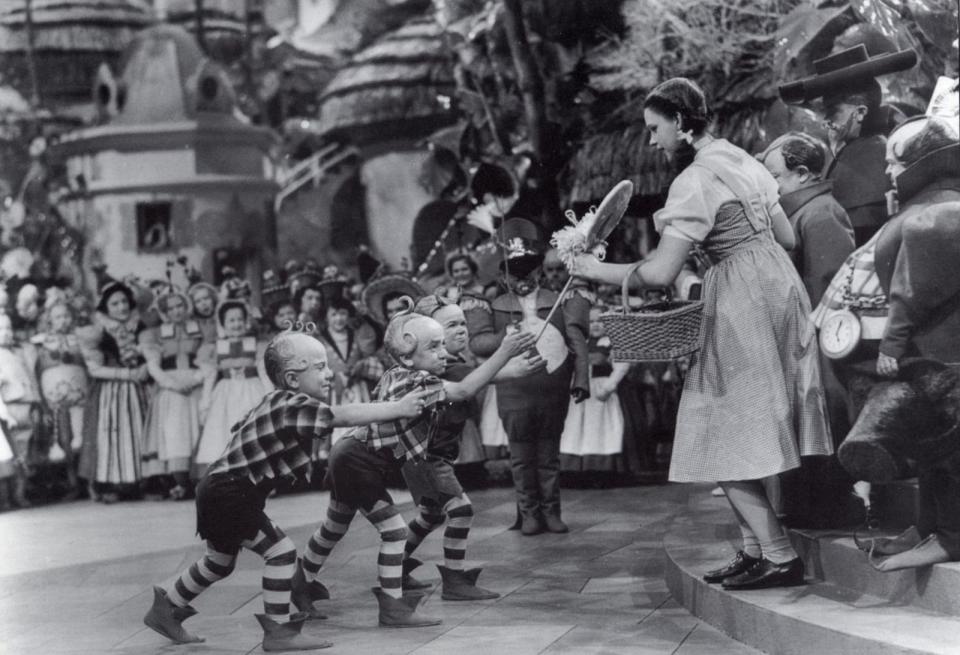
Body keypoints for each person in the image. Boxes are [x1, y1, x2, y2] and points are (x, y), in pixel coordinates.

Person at [573, 78, 832, 589]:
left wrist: (589, 268)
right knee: (745, 416)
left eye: (654, 129)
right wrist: (720, 242)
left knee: (719, 424)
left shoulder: (693, 180)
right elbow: (784, 234)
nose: (652, 141)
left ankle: (779, 553)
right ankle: (755, 548)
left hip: (742, 298)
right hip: (777, 284)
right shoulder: (742, 158)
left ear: (681, 122)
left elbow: (658, 274)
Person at [142, 329, 431, 651]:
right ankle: (279, 630)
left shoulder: (277, 401)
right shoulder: (293, 404)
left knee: (219, 561)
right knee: (281, 553)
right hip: (229, 491)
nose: (329, 373)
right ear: (292, 379)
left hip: (219, 488)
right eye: (319, 367)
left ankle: (166, 608)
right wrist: (398, 407)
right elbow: (341, 415)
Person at [296, 304, 535, 626]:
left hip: (349, 455)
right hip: (357, 461)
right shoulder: (420, 381)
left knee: (335, 526)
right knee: (393, 531)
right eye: (433, 347)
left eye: (441, 345)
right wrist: (504, 351)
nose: (442, 354)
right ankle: (392, 606)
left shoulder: (402, 373)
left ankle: (301, 584)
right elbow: (464, 388)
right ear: (408, 356)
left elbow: (463, 380)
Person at [397, 293, 544, 599]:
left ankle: (395, 566)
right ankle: (454, 581)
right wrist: (506, 356)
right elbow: (468, 384)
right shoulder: (435, 370)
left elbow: (479, 376)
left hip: (429, 456)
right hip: (427, 457)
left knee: (431, 515)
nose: (461, 330)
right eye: (450, 326)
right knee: (460, 509)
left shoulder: (452, 364)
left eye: (462, 323)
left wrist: (516, 365)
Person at [867, 116, 960, 570]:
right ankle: (930, 528)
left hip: (941, 349)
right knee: (931, 441)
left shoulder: (937, 214)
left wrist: (892, 344)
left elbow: (912, 290)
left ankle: (951, 536)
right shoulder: (935, 206)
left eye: (894, 161)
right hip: (935, 348)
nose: (887, 169)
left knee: (949, 444)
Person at [465, 218, 590, 536]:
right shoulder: (494, 307)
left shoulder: (559, 301)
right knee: (520, 456)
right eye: (514, 271)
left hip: (553, 390)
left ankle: (552, 512)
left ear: (539, 270)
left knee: (549, 455)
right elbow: (478, 343)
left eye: (529, 270)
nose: (523, 278)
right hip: (514, 391)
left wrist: (581, 380)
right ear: (503, 275)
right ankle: (529, 513)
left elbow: (577, 343)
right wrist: (509, 333)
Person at [779, 44, 918, 246]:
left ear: (860, 112)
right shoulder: (875, 143)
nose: (824, 121)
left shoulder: (868, 155)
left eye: (832, 112)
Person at [760, 133, 856, 304]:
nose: (767, 185)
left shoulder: (822, 213)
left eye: (773, 176)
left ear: (802, 173)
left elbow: (825, 288)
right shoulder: (807, 210)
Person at [139, 288, 207, 500]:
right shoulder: (156, 335)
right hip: (171, 390)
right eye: (171, 308)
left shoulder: (200, 330)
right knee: (175, 433)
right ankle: (177, 481)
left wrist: (195, 379)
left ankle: (198, 481)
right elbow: (153, 366)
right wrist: (171, 383)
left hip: (195, 385)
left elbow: (209, 359)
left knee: (198, 431)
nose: (176, 311)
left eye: (180, 306)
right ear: (164, 312)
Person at [192, 300, 270, 479]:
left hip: (251, 389)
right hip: (225, 393)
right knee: (222, 432)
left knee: (252, 431)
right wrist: (205, 401)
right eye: (231, 321)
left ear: (246, 321)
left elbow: (263, 372)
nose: (236, 324)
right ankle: (227, 476)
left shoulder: (255, 345)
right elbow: (210, 376)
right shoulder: (216, 347)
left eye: (239, 320)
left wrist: (269, 395)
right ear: (223, 324)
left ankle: (257, 475)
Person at [559, 305, 632, 472]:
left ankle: (601, 467)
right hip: (579, 391)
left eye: (601, 321)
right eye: (591, 322)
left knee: (600, 427)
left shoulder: (611, 344)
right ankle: (575, 467)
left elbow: (621, 367)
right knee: (575, 427)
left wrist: (609, 385)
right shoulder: (579, 343)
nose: (596, 325)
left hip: (601, 391)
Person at [33, 300, 89, 498]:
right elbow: (37, 374)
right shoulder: (41, 344)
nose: (63, 320)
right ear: (50, 320)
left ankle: (89, 482)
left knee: (84, 437)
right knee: (63, 439)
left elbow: (88, 367)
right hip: (56, 400)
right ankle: (72, 481)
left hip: (80, 397)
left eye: (66, 316)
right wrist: (43, 406)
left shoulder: (79, 340)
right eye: (58, 317)